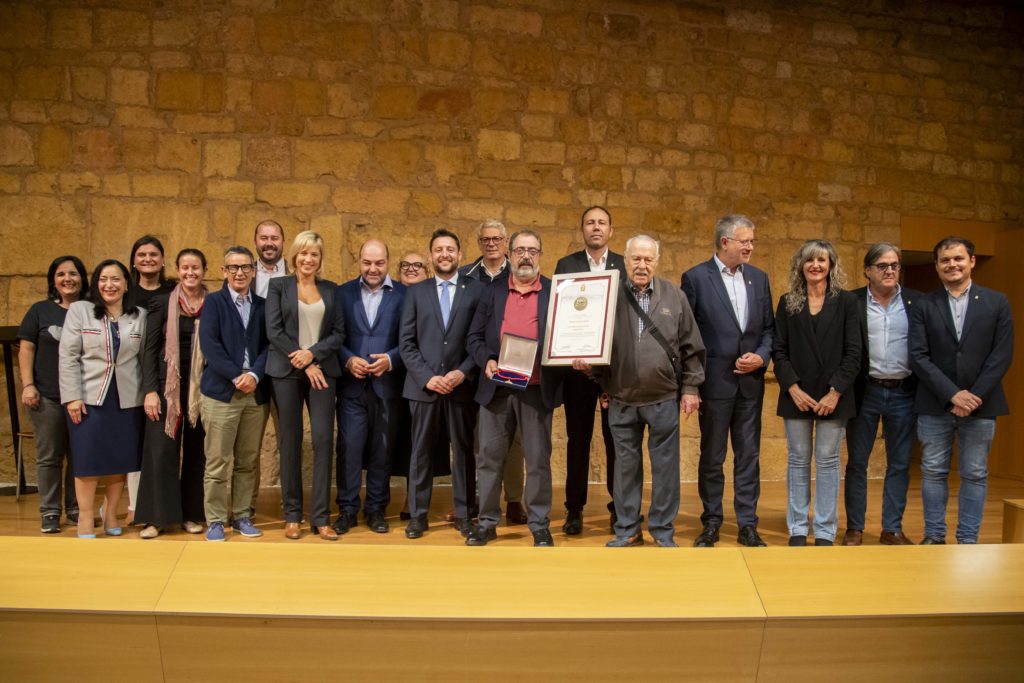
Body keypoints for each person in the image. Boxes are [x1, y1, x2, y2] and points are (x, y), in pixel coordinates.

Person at [577, 235, 705, 548]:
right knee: (624, 470)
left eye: (648, 259)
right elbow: (597, 345)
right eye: (636, 259)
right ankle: (628, 529)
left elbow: (693, 348)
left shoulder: (674, 296)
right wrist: (590, 370)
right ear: (625, 261)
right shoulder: (609, 296)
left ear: (656, 262)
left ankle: (662, 531)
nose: (642, 265)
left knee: (665, 471)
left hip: (662, 399)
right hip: (621, 399)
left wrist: (690, 388)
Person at [909, 236, 1014, 545]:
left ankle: (968, 539)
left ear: (972, 261)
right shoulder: (924, 305)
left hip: (982, 405)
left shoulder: (997, 302)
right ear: (937, 266)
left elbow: (1002, 354)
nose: (951, 264)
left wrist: (972, 396)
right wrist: (952, 394)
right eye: (945, 260)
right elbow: (918, 355)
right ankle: (934, 536)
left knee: (975, 473)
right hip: (935, 404)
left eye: (957, 258)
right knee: (932, 471)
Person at [465, 230, 564, 547]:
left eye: (532, 250)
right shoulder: (491, 291)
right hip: (497, 388)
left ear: (540, 254)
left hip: (536, 388)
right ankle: (488, 522)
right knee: (489, 459)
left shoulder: (554, 292)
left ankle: (539, 525)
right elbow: (474, 338)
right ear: (510, 252)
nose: (525, 256)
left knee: (537, 460)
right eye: (520, 249)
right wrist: (488, 361)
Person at [682, 215, 774, 548]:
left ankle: (748, 524)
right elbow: (687, 336)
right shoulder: (695, 278)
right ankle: (711, 523)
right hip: (715, 384)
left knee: (749, 456)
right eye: (745, 241)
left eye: (752, 241)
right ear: (725, 242)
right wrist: (690, 384)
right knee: (712, 457)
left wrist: (761, 356)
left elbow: (768, 329)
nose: (750, 246)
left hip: (751, 386)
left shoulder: (760, 279)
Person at [773, 240, 861, 547]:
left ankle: (824, 530)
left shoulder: (847, 302)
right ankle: (798, 527)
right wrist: (793, 388)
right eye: (809, 260)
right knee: (798, 460)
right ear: (800, 265)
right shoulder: (787, 302)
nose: (815, 265)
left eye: (822, 260)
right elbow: (779, 350)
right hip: (796, 393)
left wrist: (835, 392)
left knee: (827, 461)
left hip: (834, 396)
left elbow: (854, 352)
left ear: (831, 265)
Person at [400, 229, 483, 539]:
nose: (445, 254)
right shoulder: (415, 293)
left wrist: (463, 372)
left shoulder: (475, 291)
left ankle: (464, 514)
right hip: (423, 387)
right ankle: (418, 516)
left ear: (459, 255)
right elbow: (406, 343)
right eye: (439, 249)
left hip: (461, 386)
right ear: (431, 256)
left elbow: (479, 339)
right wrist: (428, 377)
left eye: (450, 249)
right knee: (420, 453)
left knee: (462, 453)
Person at [58, 259, 148, 538]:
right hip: (89, 397)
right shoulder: (80, 311)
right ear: (96, 284)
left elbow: (144, 358)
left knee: (118, 460)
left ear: (125, 284)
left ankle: (110, 512)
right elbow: (68, 356)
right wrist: (72, 396)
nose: (109, 285)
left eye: (116, 279)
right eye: (103, 279)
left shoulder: (140, 316)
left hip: (126, 399)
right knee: (88, 458)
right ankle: (86, 515)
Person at [266, 231, 345, 541]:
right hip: (286, 371)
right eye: (303, 254)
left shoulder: (331, 290)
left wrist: (314, 355)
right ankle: (293, 515)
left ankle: (322, 517)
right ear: (294, 257)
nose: (308, 259)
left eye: (314, 254)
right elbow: (273, 330)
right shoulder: (278, 287)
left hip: (323, 371)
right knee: (290, 440)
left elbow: (339, 333)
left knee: (324, 440)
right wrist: (304, 361)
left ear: (320, 259)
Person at [842, 243, 920, 546]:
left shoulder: (916, 303)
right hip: (866, 391)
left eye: (895, 265)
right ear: (867, 271)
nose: (889, 270)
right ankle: (855, 527)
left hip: (905, 392)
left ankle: (892, 528)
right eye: (882, 265)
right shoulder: (851, 302)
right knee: (857, 462)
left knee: (900, 463)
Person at [555, 206, 625, 535]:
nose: (595, 228)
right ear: (582, 229)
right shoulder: (566, 266)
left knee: (617, 440)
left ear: (611, 230)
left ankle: (619, 506)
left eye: (601, 223)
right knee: (578, 440)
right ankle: (574, 509)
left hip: (614, 371)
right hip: (577, 369)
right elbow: (563, 317)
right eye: (589, 223)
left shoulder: (624, 265)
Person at [135, 249, 210, 539]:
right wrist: (151, 391)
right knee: (161, 452)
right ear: (177, 270)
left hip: (201, 389)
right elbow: (149, 351)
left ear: (204, 270)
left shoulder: (213, 302)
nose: (190, 273)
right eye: (185, 268)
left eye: (195, 268)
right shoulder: (161, 303)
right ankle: (156, 518)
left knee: (197, 453)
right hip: (167, 388)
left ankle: (192, 514)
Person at [198, 246, 271, 542]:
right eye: (233, 268)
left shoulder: (265, 305)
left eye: (244, 267)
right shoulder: (213, 303)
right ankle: (215, 520)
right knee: (217, 461)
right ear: (223, 271)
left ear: (254, 271)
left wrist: (254, 374)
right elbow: (210, 345)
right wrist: (235, 375)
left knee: (247, 460)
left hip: (255, 394)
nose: (239, 273)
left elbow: (270, 345)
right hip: (221, 393)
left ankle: (242, 515)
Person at [459, 219, 527, 525]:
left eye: (497, 239)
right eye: (485, 239)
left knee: (514, 442)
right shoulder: (466, 277)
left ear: (506, 242)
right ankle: (480, 501)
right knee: (480, 443)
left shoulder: (522, 275)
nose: (491, 244)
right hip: (473, 370)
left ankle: (513, 500)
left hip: (513, 371)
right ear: (478, 242)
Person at [335, 239, 405, 534]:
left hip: (388, 386)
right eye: (367, 262)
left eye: (378, 263)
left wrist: (391, 359)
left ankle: (376, 508)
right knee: (349, 448)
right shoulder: (342, 294)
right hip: (352, 387)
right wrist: (348, 359)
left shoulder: (405, 295)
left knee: (382, 450)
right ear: (359, 262)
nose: (372, 268)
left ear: (388, 262)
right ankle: (347, 509)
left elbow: (411, 340)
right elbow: (334, 336)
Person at [18, 255, 89, 533]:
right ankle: (49, 511)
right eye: (61, 274)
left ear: (82, 278)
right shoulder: (39, 311)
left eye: (73, 273)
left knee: (79, 455)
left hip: (82, 397)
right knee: (49, 456)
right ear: (53, 280)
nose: (67, 279)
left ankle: (74, 509)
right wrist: (28, 385)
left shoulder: (90, 311)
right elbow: (27, 349)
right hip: (46, 395)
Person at [391, 253, 451, 520]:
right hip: (396, 378)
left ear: (428, 271)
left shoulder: (436, 296)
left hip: (429, 380)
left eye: (418, 265)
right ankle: (412, 502)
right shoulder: (393, 296)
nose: (411, 269)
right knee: (405, 442)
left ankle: (416, 501)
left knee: (428, 443)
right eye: (406, 265)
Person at [126, 234, 174, 523]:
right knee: (132, 441)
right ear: (133, 260)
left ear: (163, 260)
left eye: (153, 254)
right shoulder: (125, 293)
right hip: (129, 375)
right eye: (142, 255)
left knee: (157, 444)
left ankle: (156, 506)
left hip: (160, 377)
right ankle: (133, 505)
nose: (148, 259)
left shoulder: (173, 293)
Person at [253, 219, 288, 298]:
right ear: (255, 242)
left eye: (274, 238)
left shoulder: (296, 273)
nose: (269, 243)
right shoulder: (243, 274)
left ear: (283, 242)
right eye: (263, 238)